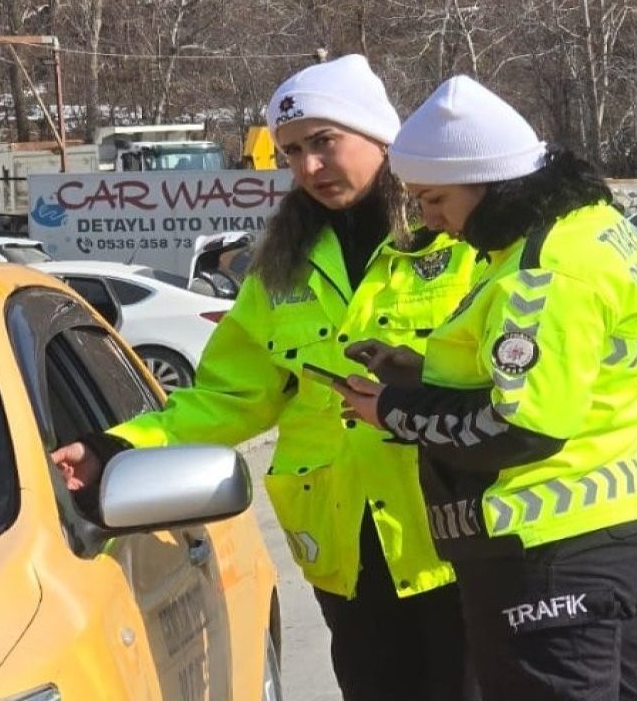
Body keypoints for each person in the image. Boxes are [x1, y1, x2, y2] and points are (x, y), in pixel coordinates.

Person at [52, 55, 480, 700]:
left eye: (324, 142)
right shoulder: (281, 267)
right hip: (347, 545)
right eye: (292, 152)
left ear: (381, 136)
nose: (309, 168)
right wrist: (119, 447)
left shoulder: (462, 242)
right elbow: (230, 396)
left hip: (458, 533)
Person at [334, 75, 637, 701]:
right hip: (624, 526)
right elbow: (569, 372)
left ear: (488, 178)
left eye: (436, 199)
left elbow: (520, 423)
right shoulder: (599, 229)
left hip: (548, 547)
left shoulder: (542, 268)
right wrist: (416, 370)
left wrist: (393, 410)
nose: (433, 220)